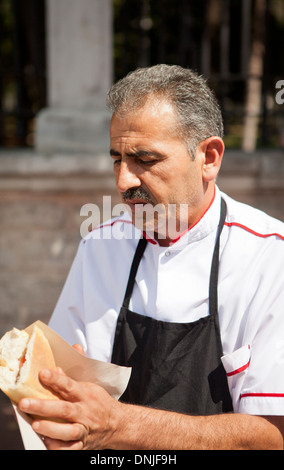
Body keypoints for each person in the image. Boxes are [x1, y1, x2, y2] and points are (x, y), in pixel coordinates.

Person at [19, 65, 284, 449]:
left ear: (209, 157)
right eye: (117, 159)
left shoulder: (269, 257)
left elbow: (272, 436)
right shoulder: (101, 246)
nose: (123, 181)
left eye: (145, 159)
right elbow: (63, 398)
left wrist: (119, 425)